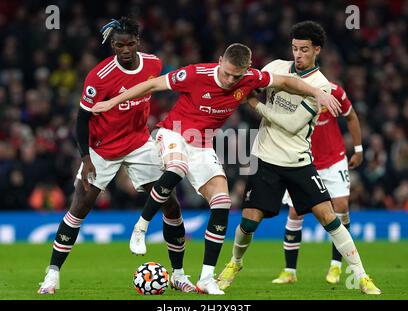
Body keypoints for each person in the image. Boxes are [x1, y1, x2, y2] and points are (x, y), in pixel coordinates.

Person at [92, 42, 341, 294]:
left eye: (237, 75)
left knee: (222, 201)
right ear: (220, 60)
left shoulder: (251, 77)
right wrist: (113, 102)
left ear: (247, 70)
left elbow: (287, 82)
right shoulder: (195, 74)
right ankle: (141, 227)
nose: (231, 79)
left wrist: (317, 92)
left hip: (202, 144)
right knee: (177, 166)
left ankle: (206, 278)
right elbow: (152, 84)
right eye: (227, 72)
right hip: (173, 133)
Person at [217, 21, 381, 295]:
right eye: (294, 48)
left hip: (298, 162)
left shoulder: (322, 86)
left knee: (330, 218)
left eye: (304, 49)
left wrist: (255, 103)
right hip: (265, 158)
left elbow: (291, 124)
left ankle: (362, 276)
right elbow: (250, 84)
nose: (298, 55)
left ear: (317, 50)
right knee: (248, 221)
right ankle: (234, 263)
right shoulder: (275, 68)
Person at [38, 16, 196, 295]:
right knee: (79, 209)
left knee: (170, 204)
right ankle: (51, 276)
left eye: (130, 43)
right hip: (103, 149)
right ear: (112, 45)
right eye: (119, 45)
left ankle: (179, 275)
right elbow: (81, 119)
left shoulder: (153, 64)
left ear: (138, 42)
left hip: (138, 142)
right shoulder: (98, 77)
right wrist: (86, 158)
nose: (125, 49)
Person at [272, 81, 363, 285]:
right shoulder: (291, 92)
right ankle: (289, 272)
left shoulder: (334, 91)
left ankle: (336, 266)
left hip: (334, 159)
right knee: (296, 212)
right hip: (304, 160)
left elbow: (351, 116)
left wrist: (358, 149)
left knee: (341, 207)